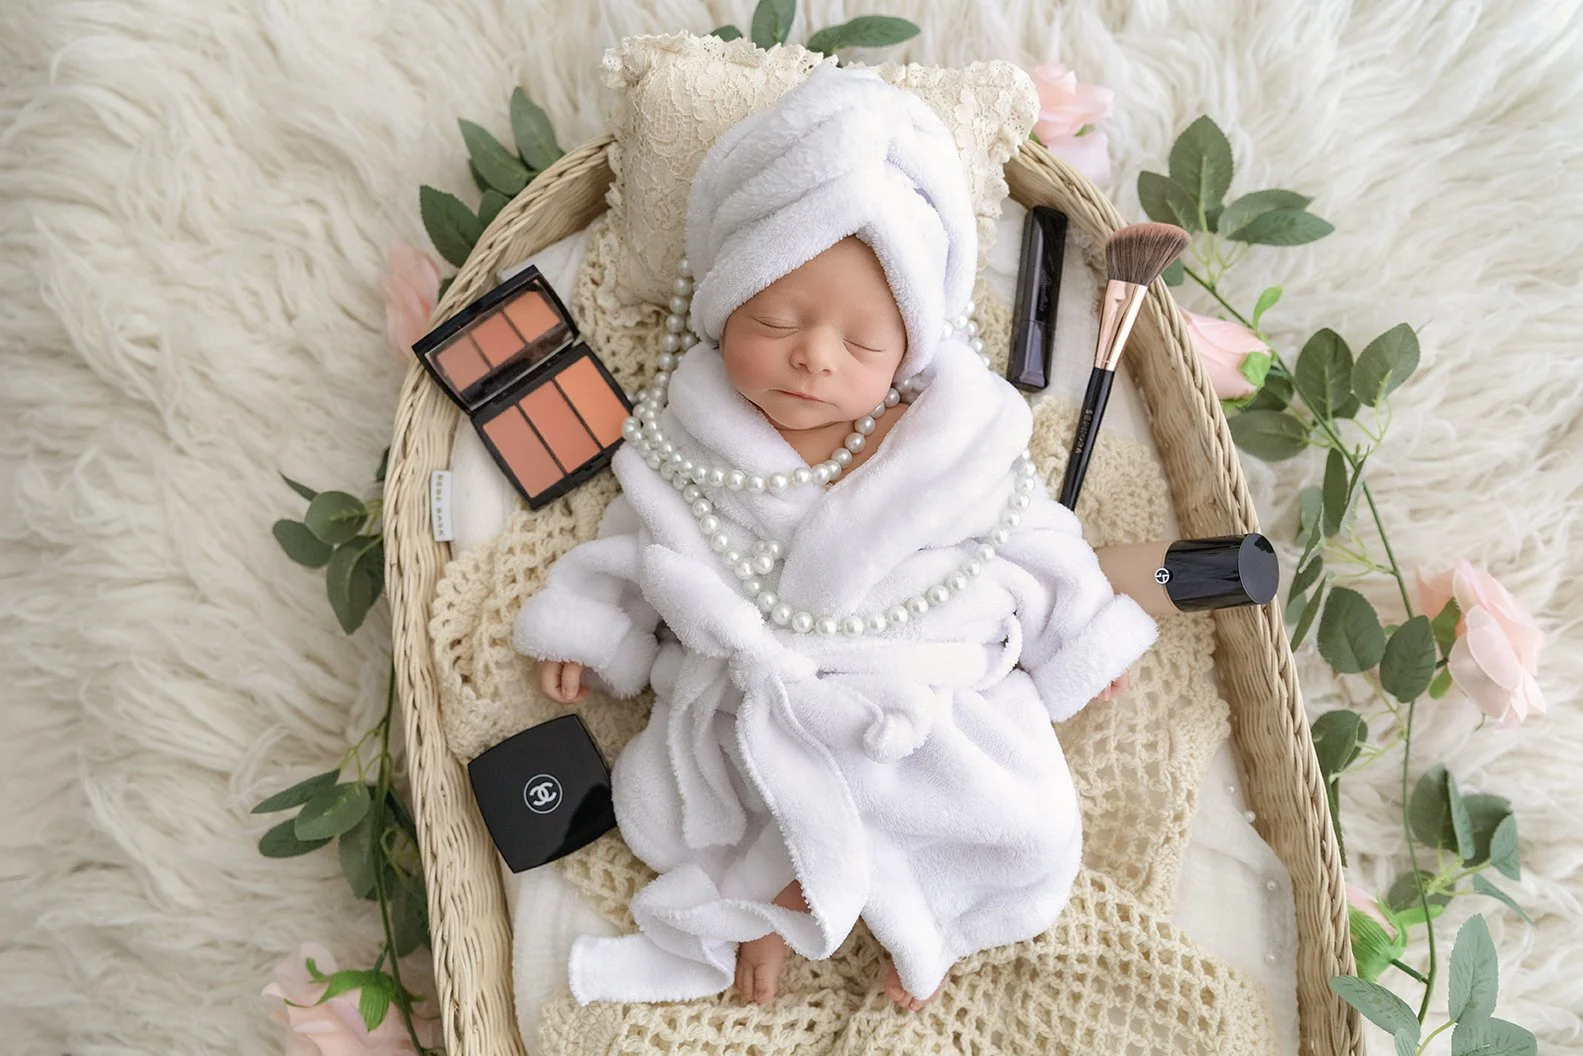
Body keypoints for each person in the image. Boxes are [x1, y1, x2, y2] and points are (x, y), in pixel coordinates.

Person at [514, 63, 1155, 1014]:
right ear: (723, 304)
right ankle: (780, 916)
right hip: (772, 692)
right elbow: (643, 545)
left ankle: (921, 916)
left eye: (861, 344)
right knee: (760, 799)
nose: (814, 354)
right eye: (775, 320)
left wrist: (1080, 637)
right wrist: (593, 626)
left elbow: (1035, 541)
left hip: (931, 694)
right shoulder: (689, 436)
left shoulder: (958, 438)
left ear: (910, 355)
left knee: (1022, 823)